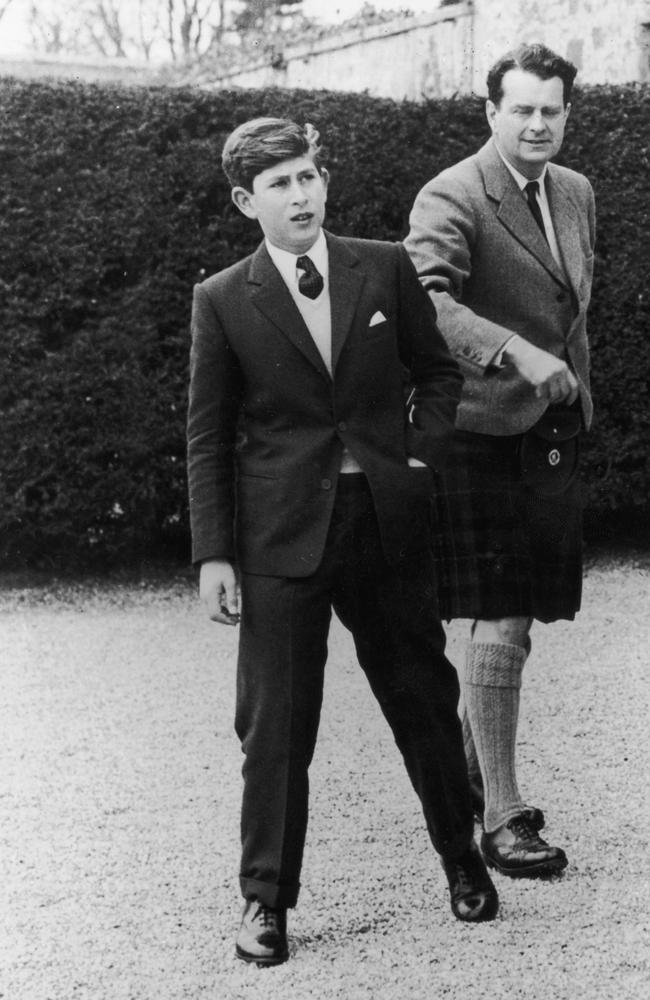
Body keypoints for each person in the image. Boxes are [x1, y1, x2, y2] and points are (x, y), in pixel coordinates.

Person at [187, 117, 499, 966]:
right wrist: (216, 553)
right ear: (249, 201)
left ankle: (463, 860)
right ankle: (265, 901)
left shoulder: (385, 265)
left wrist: (418, 460)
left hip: (384, 526)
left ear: (324, 181)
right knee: (277, 725)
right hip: (281, 538)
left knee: (423, 701)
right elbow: (209, 434)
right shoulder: (221, 298)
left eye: (308, 177)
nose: (300, 194)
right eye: (279, 184)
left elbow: (437, 373)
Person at [404, 43, 595, 879]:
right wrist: (513, 351)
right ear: (491, 113)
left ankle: (480, 778)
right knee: (501, 617)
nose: (538, 123)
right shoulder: (454, 192)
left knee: (521, 622)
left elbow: (568, 305)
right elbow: (424, 299)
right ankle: (502, 817)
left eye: (551, 109)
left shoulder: (577, 191)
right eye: (521, 108)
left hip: (548, 433)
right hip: (474, 431)